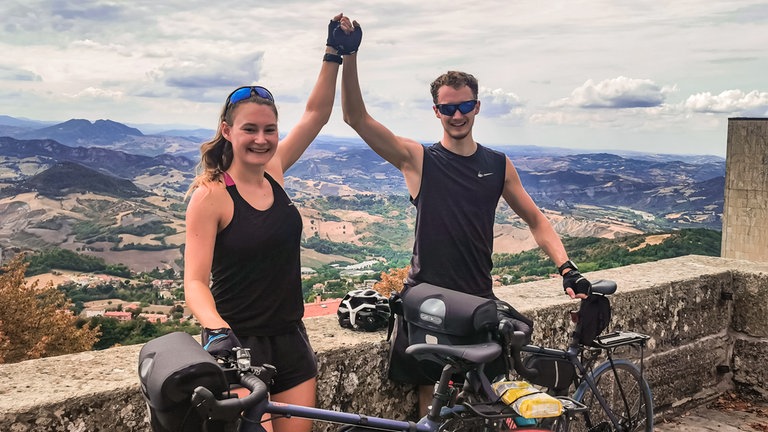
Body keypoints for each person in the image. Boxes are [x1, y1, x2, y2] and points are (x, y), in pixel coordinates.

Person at [339, 22, 592, 416]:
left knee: (483, 404)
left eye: (464, 106)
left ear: (477, 106)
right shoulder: (418, 160)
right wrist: (349, 55)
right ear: (436, 110)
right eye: (447, 108)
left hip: (476, 300)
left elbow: (536, 221)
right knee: (431, 403)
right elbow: (356, 117)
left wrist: (567, 268)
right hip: (429, 301)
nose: (456, 115)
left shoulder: (497, 165)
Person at [183, 13, 358, 432]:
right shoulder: (211, 196)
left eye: (269, 129)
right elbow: (194, 282)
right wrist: (216, 330)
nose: (261, 138)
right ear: (227, 131)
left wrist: (335, 53)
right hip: (239, 345)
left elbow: (316, 113)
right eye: (249, 129)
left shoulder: (274, 172)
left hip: (291, 339)